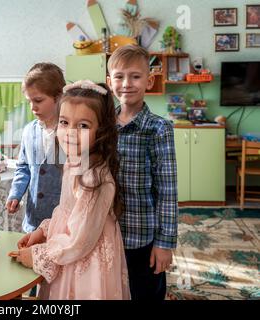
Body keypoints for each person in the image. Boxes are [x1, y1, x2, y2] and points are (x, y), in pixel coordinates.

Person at [10, 80, 130, 300]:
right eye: (64, 122)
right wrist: (44, 231)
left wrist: (37, 256)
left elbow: (79, 240)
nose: (70, 133)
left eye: (83, 126)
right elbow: (65, 210)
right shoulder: (74, 161)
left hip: (84, 259)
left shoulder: (94, 178)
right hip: (68, 248)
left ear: (101, 131)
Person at [107, 44, 178, 300]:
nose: (127, 83)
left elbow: (168, 190)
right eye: (119, 76)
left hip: (142, 237)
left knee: (144, 292)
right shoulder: (103, 126)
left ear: (149, 81)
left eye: (136, 76)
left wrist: (165, 243)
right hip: (106, 234)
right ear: (109, 81)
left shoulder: (159, 128)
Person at [6, 63, 66, 232]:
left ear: (59, 96)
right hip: (33, 221)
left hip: (61, 224)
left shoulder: (71, 131)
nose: (33, 107)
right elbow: (23, 167)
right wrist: (15, 194)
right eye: (29, 101)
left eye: (38, 100)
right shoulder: (28, 131)